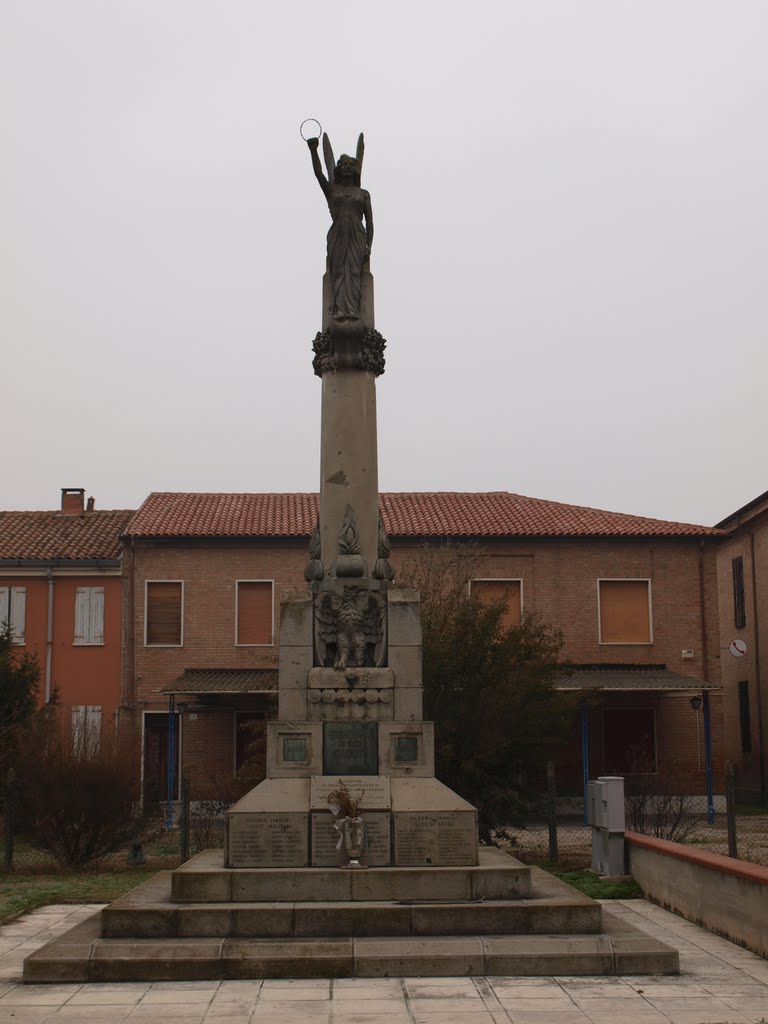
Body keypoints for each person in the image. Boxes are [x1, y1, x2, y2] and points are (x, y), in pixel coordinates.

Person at [307, 135, 373, 321]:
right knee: (338, 273)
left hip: (357, 237)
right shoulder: (333, 191)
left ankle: (354, 311)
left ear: (355, 170)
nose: (348, 168)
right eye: (344, 164)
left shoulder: (363, 194)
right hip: (337, 237)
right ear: (338, 169)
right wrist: (313, 151)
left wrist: (369, 244)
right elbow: (319, 174)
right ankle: (338, 310)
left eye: (351, 165)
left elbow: (369, 222)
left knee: (353, 273)